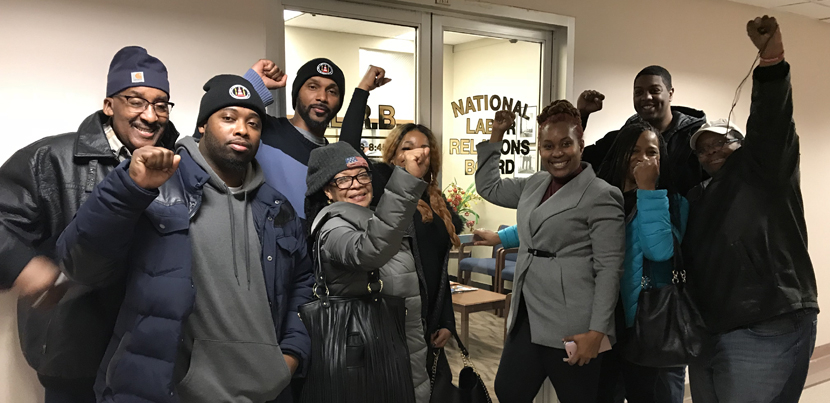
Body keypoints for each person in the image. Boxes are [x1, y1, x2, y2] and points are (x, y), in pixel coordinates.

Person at [55, 74, 313, 403]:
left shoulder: (277, 208)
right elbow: (80, 262)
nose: (242, 130)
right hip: (171, 391)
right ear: (203, 125)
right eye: (229, 118)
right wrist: (130, 189)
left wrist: (291, 355)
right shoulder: (157, 187)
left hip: (267, 392)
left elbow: (303, 282)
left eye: (253, 122)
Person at [0, 46, 179, 403]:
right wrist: (23, 266)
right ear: (109, 105)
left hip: (149, 354)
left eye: (161, 104)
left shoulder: (178, 164)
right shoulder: (50, 158)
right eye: (136, 101)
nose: (150, 115)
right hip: (75, 353)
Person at [477, 120, 689, 403]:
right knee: (591, 393)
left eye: (652, 152)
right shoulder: (592, 188)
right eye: (634, 150)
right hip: (584, 308)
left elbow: (654, 251)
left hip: (639, 318)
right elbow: (553, 228)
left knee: (643, 394)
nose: (642, 158)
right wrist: (503, 237)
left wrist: (648, 190)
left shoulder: (658, 199)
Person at [684, 16, 818, 403]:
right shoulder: (698, 196)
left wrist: (771, 62)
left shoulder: (765, 171)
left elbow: (771, 124)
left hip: (765, 322)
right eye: (702, 149)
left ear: (741, 143)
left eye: (720, 143)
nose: (710, 152)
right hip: (711, 327)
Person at [476, 103, 625, 403]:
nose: (557, 153)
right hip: (528, 312)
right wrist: (496, 134)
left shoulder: (601, 194)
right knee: (509, 390)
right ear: (540, 148)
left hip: (572, 322)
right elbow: (489, 187)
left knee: (577, 397)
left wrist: (597, 333)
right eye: (548, 146)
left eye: (565, 144)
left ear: (580, 144)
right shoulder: (535, 183)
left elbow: (609, 268)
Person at [304, 141, 432, 403]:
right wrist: (406, 180)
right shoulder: (333, 228)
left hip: (404, 356)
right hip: (371, 367)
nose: (357, 184)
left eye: (363, 175)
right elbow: (368, 251)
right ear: (327, 191)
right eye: (343, 180)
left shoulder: (374, 219)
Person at [340, 123, 462, 379]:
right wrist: (363, 90)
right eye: (407, 148)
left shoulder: (437, 200)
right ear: (394, 155)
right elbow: (347, 150)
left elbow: (439, 269)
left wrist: (447, 320)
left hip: (430, 318)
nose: (416, 154)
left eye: (424, 149)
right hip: (396, 318)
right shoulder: (384, 187)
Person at [241, 59, 389, 219]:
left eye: (332, 91)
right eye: (313, 87)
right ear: (297, 93)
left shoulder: (332, 157)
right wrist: (253, 83)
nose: (322, 97)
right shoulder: (265, 130)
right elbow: (225, 118)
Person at [579, 65, 707, 198]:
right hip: (628, 216)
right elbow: (579, 161)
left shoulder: (696, 137)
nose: (646, 97)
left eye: (654, 91)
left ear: (670, 94)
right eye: (638, 92)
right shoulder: (622, 138)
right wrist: (581, 116)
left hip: (682, 216)